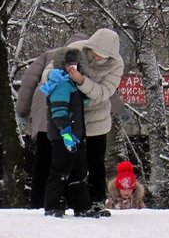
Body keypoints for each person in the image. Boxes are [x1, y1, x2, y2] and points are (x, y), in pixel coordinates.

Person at [16, 33, 88, 209]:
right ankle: (55, 205)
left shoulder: (49, 56)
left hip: (44, 124)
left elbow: (28, 82)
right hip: (63, 129)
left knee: (46, 165)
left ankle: (41, 203)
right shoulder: (74, 70)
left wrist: (22, 111)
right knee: (62, 168)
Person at [66, 28, 125, 216]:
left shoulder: (116, 65)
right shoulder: (75, 50)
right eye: (95, 55)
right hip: (72, 116)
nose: (98, 59)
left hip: (98, 118)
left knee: (96, 161)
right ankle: (73, 201)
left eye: (103, 57)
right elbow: (51, 72)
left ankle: (98, 200)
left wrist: (81, 81)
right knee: (71, 161)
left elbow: (104, 93)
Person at [39, 46, 95, 218]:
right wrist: (66, 133)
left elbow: (79, 104)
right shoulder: (61, 84)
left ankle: (82, 206)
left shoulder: (71, 84)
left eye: (75, 64)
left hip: (76, 135)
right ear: (61, 65)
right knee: (60, 171)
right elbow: (59, 111)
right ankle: (52, 205)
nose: (73, 68)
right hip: (64, 136)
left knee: (79, 172)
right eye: (69, 64)